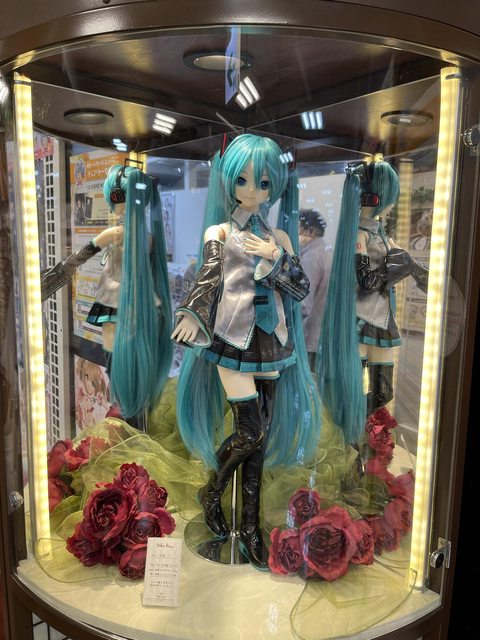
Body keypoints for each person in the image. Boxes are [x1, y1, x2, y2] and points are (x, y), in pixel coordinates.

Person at [171, 134, 320, 569]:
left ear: (275, 187)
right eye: (243, 180)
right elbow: (208, 277)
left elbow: (300, 289)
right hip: (233, 339)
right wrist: (193, 314)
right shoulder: (219, 232)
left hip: (272, 342)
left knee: (260, 440)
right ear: (229, 181)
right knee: (250, 432)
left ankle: (250, 525)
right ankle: (213, 491)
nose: (253, 190)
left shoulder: (280, 237)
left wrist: (274, 255)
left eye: (264, 183)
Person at [41, 163, 172, 422]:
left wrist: (55, 277)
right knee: (130, 365)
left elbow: (83, 255)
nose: (113, 204)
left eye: (115, 197)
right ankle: (131, 412)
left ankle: (128, 412)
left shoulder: (119, 233)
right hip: (136, 305)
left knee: (119, 364)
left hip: (118, 304)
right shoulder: (146, 237)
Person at [316, 159, 428, 445]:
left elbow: (402, 263)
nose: (392, 204)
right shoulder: (358, 235)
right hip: (361, 318)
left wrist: (416, 270)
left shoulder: (381, 235)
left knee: (382, 391)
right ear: (374, 198)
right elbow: (367, 280)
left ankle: (351, 428)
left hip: (381, 318)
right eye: (389, 197)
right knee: (353, 387)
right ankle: (348, 438)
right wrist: (398, 266)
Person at [298, 209, 332, 371]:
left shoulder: (311, 257)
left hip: (309, 337)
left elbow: (303, 302)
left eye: (298, 229)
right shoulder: (326, 252)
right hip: (321, 336)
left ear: (310, 231)